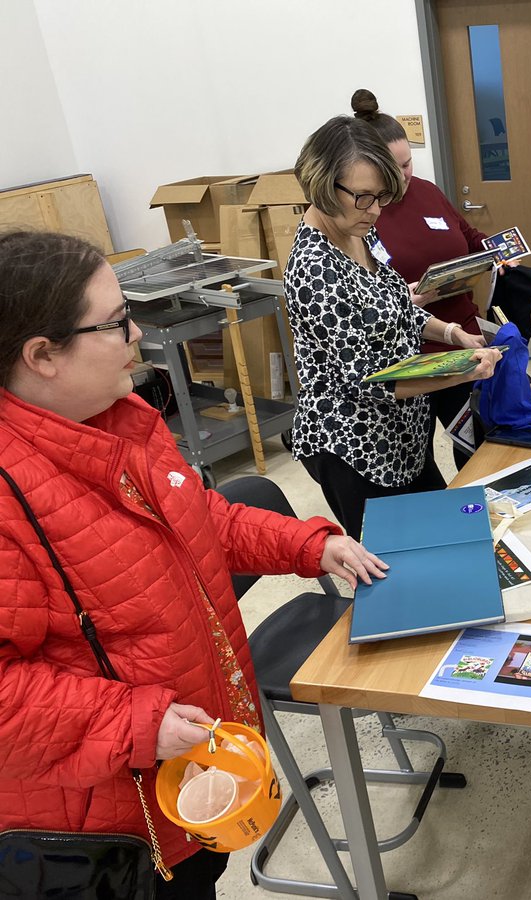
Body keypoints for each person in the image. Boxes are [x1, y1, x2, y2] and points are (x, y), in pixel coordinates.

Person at [0, 230, 389, 898]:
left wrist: (306, 544)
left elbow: (202, 520)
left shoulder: (119, 420)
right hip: (112, 823)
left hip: (186, 771)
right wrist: (132, 723)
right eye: (117, 320)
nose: (138, 333)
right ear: (43, 356)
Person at [286, 115, 502, 539]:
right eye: (364, 198)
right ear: (323, 186)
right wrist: (462, 368)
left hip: (402, 438)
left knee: (441, 539)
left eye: (381, 197)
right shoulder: (316, 270)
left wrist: (452, 334)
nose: (376, 211)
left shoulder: (354, 232)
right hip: (357, 449)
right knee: (398, 565)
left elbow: (396, 307)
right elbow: (375, 382)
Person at [351, 88, 492, 470]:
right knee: (415, 463)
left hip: (461, 340)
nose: (404, 175)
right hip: (411, 360)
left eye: (408, 163)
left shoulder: (426, 191)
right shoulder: (361, 216)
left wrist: (494, 252)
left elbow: (466, 234)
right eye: (392, 168)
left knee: (477, 447)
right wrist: (404, 302)